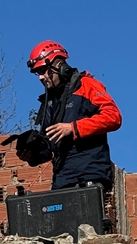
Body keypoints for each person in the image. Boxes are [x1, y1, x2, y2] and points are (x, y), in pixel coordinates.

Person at [23, 41, 122, 191]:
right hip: (62, 180)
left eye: (43, 70)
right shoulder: (50, 101)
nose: (41, 77)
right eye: (38, 72)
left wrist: (73, 128)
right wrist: (33, 156)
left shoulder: (87, 85)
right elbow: (50, 148)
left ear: (59, 66)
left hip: (90, 176)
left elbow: (114, 117)